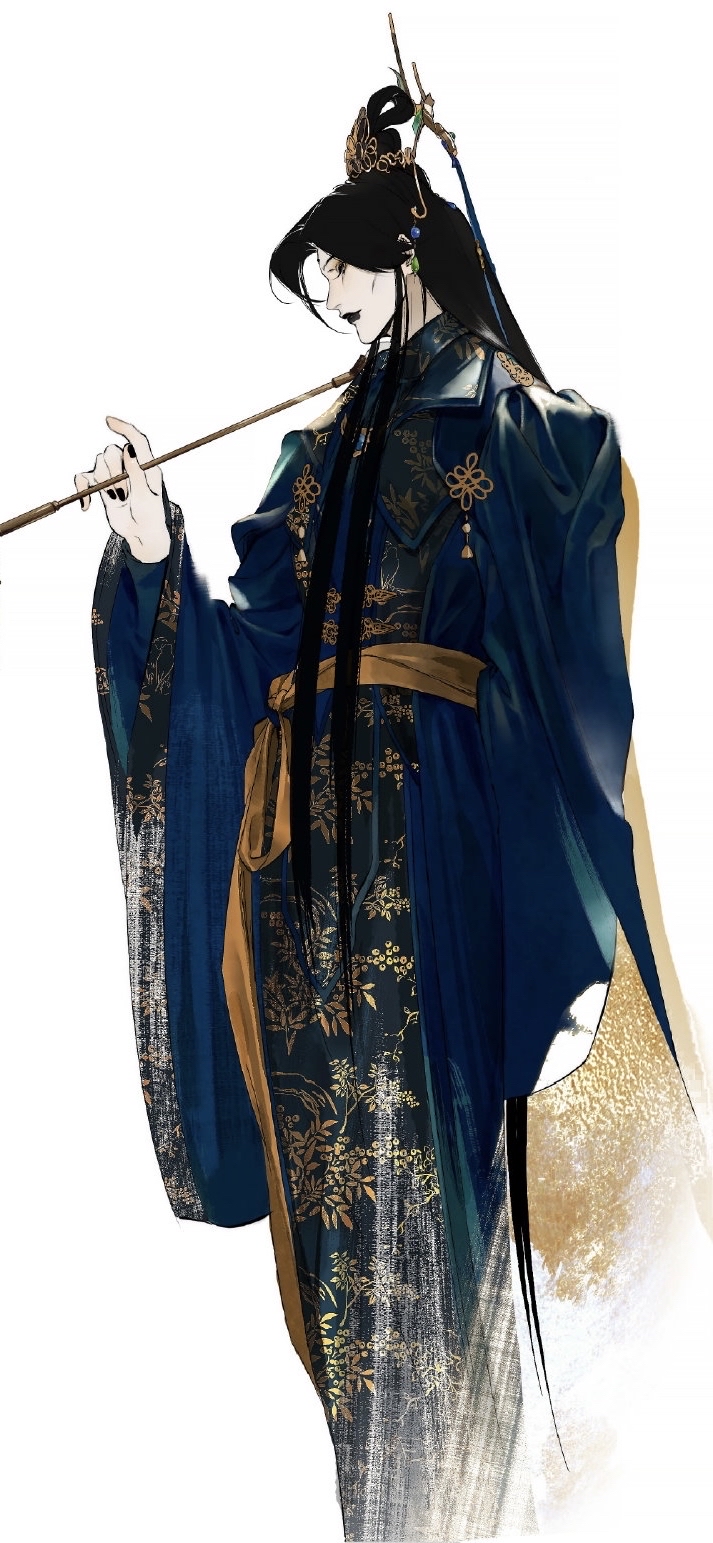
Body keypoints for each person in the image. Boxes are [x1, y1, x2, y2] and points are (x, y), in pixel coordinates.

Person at [76, 81, 692, 1543]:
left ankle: (464, 1508)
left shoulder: (515, 427)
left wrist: (512, 410)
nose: (331, 304)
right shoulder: (312, 457)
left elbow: (574, 527)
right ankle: (391, 1507)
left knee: (434, 1176)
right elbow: (250, 653)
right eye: (316, 288)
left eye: (342, 270)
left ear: (405, 249)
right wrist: (154, 544)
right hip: (305, 867)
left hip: (427, 834)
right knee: (348, 1202)